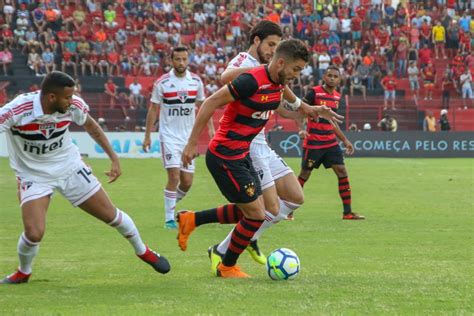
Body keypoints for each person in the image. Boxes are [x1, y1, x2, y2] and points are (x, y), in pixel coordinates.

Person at [175, 22, 342, 275]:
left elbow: (282, 97)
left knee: (270, 206)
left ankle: (196, 221)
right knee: (260, 213)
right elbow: (212, 100)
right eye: (296, 69)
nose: (297, 75)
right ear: (279, 62)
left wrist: (307, 110)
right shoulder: (250, 76)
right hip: (228, 154)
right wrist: (191, 143)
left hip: (245, 153)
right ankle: (226, 260)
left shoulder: (277, 82)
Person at [0, 72, 170, 284]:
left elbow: (91, 126)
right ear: (51, 97)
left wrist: (114, 158)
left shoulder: (73, 107)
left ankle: (143, 251)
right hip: (33, 175)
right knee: (34, 233)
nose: (72, 101)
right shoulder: (19, 109)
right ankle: (23, 272)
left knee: (111, 215)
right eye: (67, 97)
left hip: (69, 167)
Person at [142, 46, 214, 229]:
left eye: (184, 59)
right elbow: (153, 109)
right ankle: (169, 219)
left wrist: (212, 128)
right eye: (177, 59)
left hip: (188, 139)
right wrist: (147, 136)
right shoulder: (162, 83)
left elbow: (204, 106)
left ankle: (170, 203)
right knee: (174, 176)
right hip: (169, 137)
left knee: (187, 182)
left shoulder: (196, 82)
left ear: (188, 60)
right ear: (171, 61)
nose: (181, 63)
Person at [297, 66, 365, 220]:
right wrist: (301, 129)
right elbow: (300, 110)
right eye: (329, 75)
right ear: (324, 77)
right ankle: (287, 211)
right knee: (304, 174)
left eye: (335, 76)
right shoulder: (313, 92)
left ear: (339, 79)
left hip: (330, 143)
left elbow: (333, 123)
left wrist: (345, 140)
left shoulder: (337, 97)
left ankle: (347, 213)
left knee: (342, 172)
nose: (332, 78)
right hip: (313, 143)